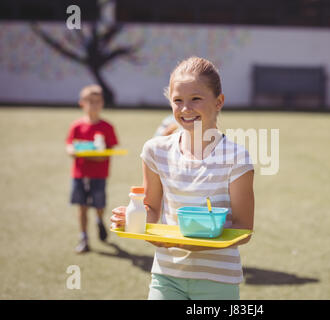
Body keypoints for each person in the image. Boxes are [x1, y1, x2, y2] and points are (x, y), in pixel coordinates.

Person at [111, 57, 254, 300]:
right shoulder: (155, 151)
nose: (185, 108)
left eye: (195, 99)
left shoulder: (237, 157)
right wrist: (133, 217)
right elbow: (152, 210)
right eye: (178, 101)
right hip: (166, 276)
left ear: (219, 102)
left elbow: (243, 228)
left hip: (217, 280)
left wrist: (192, 245)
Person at [66, 84, 119, 254]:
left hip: (99, 174)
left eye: (97, 102)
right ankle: (84, 237)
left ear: (102, 103)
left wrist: (93, 154)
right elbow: (70, 146)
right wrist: (74, 151)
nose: (94, 105)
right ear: (82, 103)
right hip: (80, 174)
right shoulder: (77, 126)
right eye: (90, 101)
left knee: (98, 203)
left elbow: (109, 151)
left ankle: (99, 219)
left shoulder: (107, 127)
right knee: (81, 206)